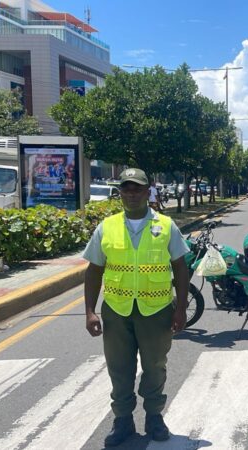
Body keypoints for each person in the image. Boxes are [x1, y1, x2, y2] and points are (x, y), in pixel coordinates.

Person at [82, 168, 190, 446]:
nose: (131, 194)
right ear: (120, 192)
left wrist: (180, 309)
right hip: (117, 310)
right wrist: (90, 311)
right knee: (119, 368)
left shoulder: (166, 226)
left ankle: (154, 417)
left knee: (155, 366)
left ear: (147, 191)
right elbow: (94, 270)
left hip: (156, 310)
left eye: (137, 188)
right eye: (126, 189)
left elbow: (180, 268)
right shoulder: (107, 227)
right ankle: (123, 422)